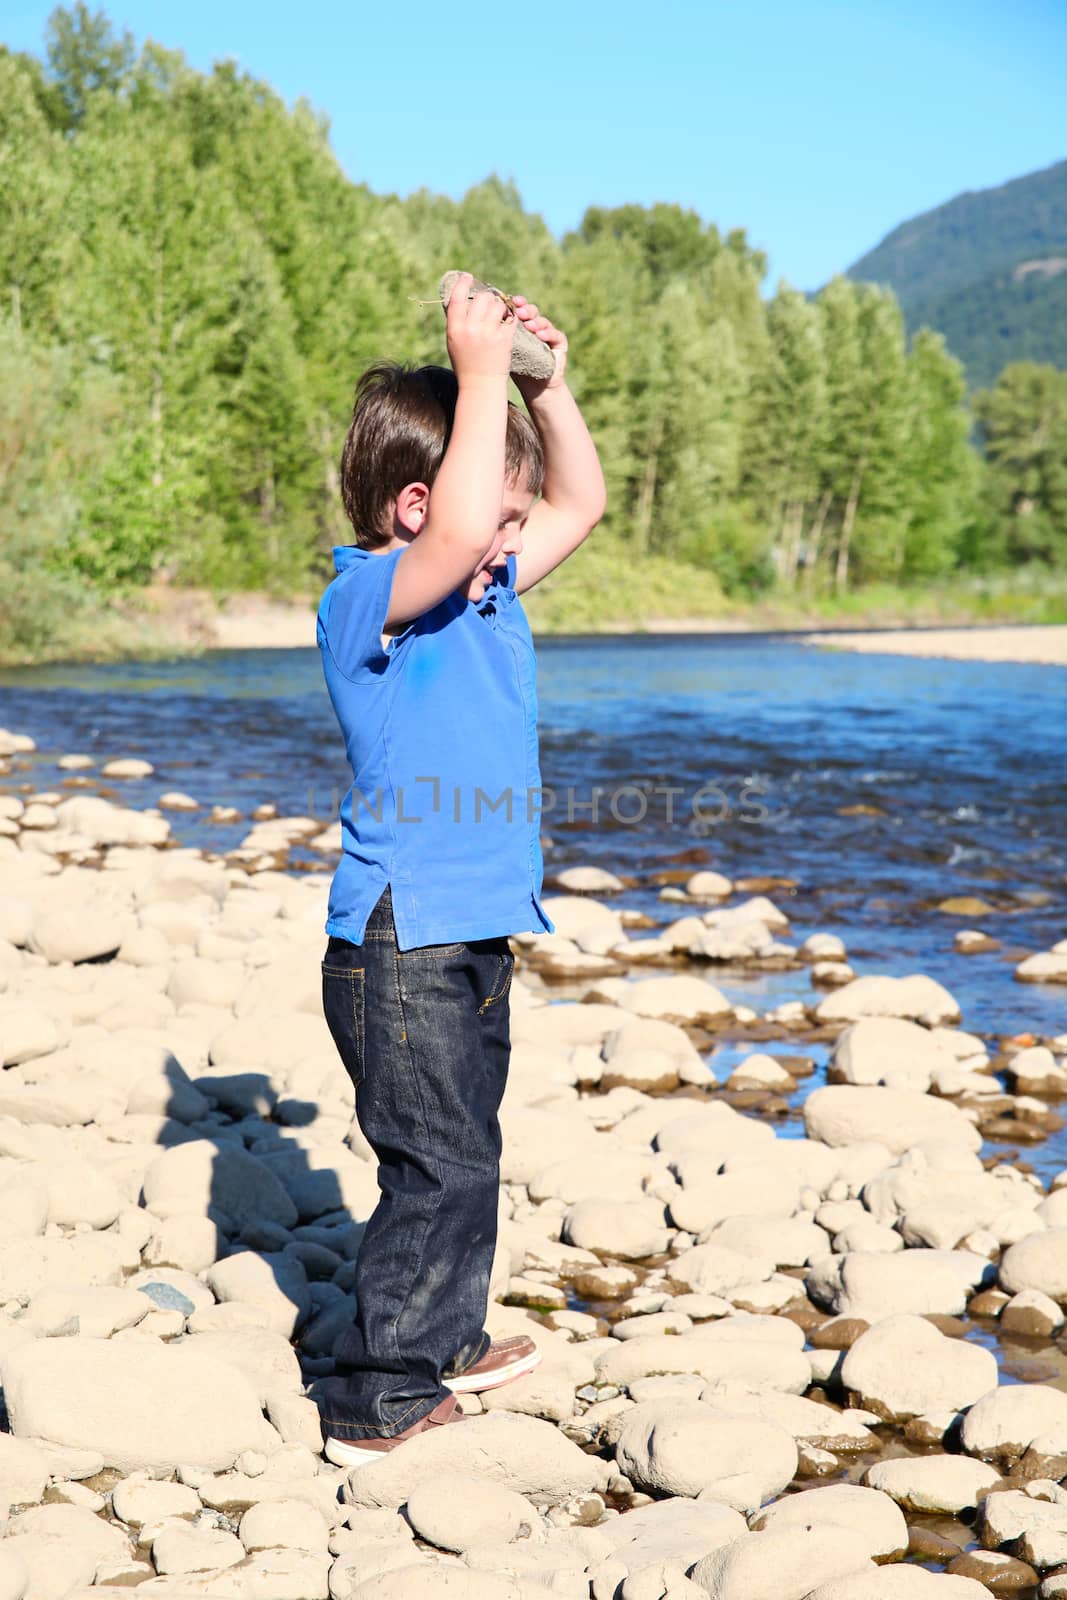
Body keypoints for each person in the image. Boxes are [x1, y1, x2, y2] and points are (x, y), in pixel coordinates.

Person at [309, 273, 607, 1467]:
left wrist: (546, 386)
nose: (512, 537)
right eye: (496, 512)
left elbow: (579, 501)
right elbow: (458, 528)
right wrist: (475, 374)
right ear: (420, 505)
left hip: (470, 928)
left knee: (465, 1144)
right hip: (400, 934)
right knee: (434, 1161)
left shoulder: (479, 595)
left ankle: (444, 1332)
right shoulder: (368, 598)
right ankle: (379, 1395)